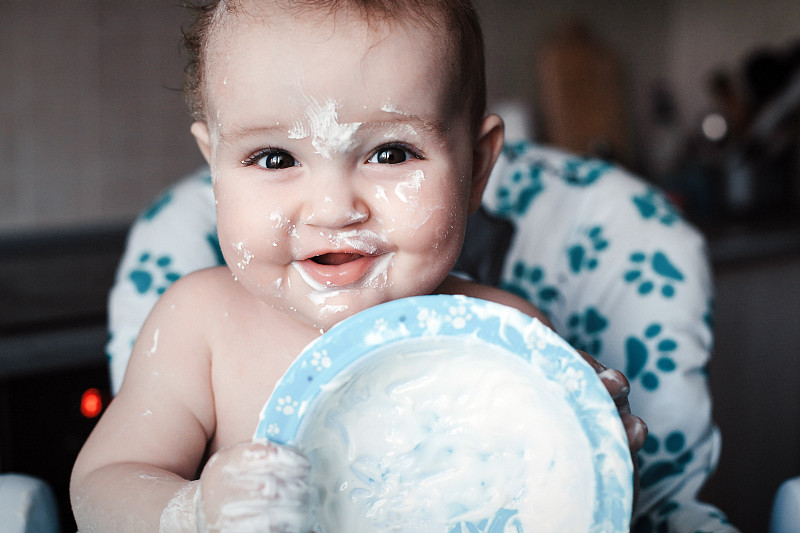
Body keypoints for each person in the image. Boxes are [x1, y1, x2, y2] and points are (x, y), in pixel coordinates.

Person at [70, 1, 646, 531]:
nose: (333, 208)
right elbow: (102, 486)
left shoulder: (503, 334)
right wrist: (193, 513)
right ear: (215, 169)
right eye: (274, 158)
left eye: (390, 153)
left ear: (475, 168)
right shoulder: (199, 326)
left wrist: (597, 453)